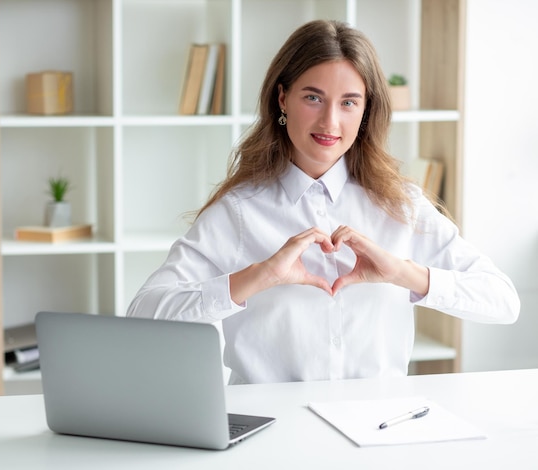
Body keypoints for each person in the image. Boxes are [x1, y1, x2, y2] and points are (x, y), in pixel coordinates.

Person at [127, 19, 520, 384]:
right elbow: (144, 313)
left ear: (366, 111)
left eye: (349, 102)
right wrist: (256, 277)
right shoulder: (237, 213)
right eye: (313, 98)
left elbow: (502, 301)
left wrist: (402, 273)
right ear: (282, 98)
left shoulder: (401, 205)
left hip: (379, 427)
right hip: (272, 432)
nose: (330, 122)